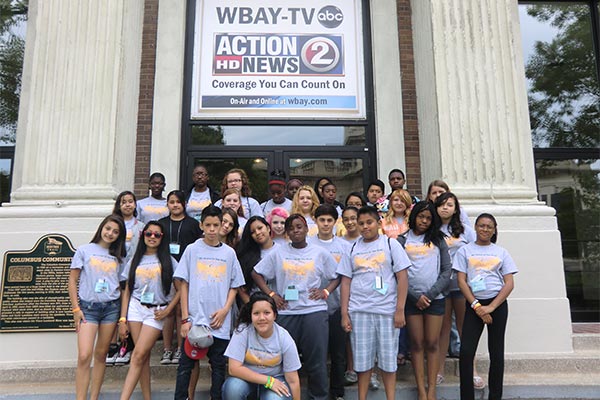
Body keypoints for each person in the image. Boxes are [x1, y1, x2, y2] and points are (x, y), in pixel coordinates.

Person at [252, 214, 340, 400]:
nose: (296, 231)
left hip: (314, 312)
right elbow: (256, 273)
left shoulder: (319, 252)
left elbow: (337, 275)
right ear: (287, 232)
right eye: (291, 228)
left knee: (316, 361)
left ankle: (319, 397)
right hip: (286, 313)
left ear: (307, 229)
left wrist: (325, 292)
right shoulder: (278, 253)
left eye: (299, 227)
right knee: (285, 360)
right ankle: (284, 396)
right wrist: (271, 295)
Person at [338, 206, 411, 400]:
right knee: (362, 362)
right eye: (361, 223)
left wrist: (400, 309)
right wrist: (344, 313)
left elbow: (402, 277)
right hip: (359, 311)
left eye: (368, 222)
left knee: (388, 361)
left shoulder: (391, 244)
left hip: (387, 311)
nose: (364, 226)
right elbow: (345, 281)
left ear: (379, 223)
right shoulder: (352, 248)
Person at [174, 206, 245, 400]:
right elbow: (184, 284)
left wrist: (225, 310)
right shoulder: (192, 249)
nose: (212, 229)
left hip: (218, 322)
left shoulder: (229, 253)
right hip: (195, 320)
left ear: (222, 225)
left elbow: (235, 285)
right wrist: (185, 318)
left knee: (218, 367)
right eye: (208, 225)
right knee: (185, 367)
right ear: (201, 225)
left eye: (216, 225)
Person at [454, 213, 518, 400]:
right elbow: (461, 281)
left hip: (497, 305)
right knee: (466, 352)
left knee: (496, 353)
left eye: (489, 226)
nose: (485, 229)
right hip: (474, 305)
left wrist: (491, 308)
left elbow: (509, 283)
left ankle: (495, 396)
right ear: (475, 227)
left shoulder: (501, 252)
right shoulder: (465, 251)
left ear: (494, 229)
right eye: (481, 226)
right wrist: (477, 306)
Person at [118, 222, 179, 400]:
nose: (152, 237)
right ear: (143, 235)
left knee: (137, 355)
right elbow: (127, 290)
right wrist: (122, 319)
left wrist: (168, 310)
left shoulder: (169, 260)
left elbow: (181, 289)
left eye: (157, 235)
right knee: (141, 356)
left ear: (162, 238)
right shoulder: (134, 260)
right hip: (136, 307)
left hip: (156, 311)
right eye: (149, 234)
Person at [68, 215, 126, 400]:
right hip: (88, 309)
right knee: (84, 355)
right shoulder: (85, 250)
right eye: (108, 229)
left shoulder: (119, 256)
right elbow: (72, 279)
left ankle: (94, 397)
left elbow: (123, 287)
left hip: (110, 308)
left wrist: (122, 317)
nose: (110, 233)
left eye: (116, 232)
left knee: (101, 355)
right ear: (102, 228)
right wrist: (76, 309)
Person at [402, 201, 451, 400]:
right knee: (416, 344)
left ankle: (432, 390)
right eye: (421, 216)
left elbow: (447, 271)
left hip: (435, 299)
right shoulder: (401, 240)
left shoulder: (438, 240)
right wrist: (415, 297)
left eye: (429, 218)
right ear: (414, 216)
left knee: (431, 343)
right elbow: (399, 272)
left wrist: (429, 295)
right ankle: (421, 391)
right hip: (411, 300)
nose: (424, 221)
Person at [433, 192, 482, 387]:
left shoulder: (466, 231)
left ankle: (472, 369)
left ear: (456, 208)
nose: (445, 208)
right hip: (441, 287)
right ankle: (439, 370)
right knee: (443, 330)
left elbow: (476, 257)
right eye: (442, 204)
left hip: (462, 286)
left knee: (465, 329)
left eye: (450, 204)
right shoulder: (432, 230)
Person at [222, 292, 301, 400]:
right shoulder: (242, 331)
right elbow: (233, 368)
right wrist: (268, 381)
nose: (261, 318)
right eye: (256, 313)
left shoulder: (284, 338)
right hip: (247, 380)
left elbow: (293, 380)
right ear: (251, 315)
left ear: (275, 315)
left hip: (276, 379)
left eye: (267, 313)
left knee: (274, 399)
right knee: (233, 389)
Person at [309, 204, 352, 400]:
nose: (325, 224)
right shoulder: (308, 244)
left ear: (335, 222)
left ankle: (337, 393)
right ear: (315, 221)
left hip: (338, 307)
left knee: (338, 353)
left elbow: (348, 277)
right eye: (322, 220)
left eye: (329, 220)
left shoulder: (344, 246)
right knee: (315, 353)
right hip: (313, 308)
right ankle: (318, 392)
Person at [158, 190, 202, 365]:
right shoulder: (161, 224)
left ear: (184, 204)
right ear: (167, 204)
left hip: (187, 272)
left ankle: (180, 349)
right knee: (169, 310)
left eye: (178, 202)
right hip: (166, 270)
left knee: (180, 310)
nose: (175, 205)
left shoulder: (192, 224)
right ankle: (167, 348)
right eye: (171, 202)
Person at [236, 216, 277, 305]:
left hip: (279, 304)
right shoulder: (247, 255)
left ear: (268, 228)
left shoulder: (281, 250)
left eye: (260, 228)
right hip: (255, 305)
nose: (257, 233)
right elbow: (241, 287)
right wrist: (250, 306)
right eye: (253, 232)